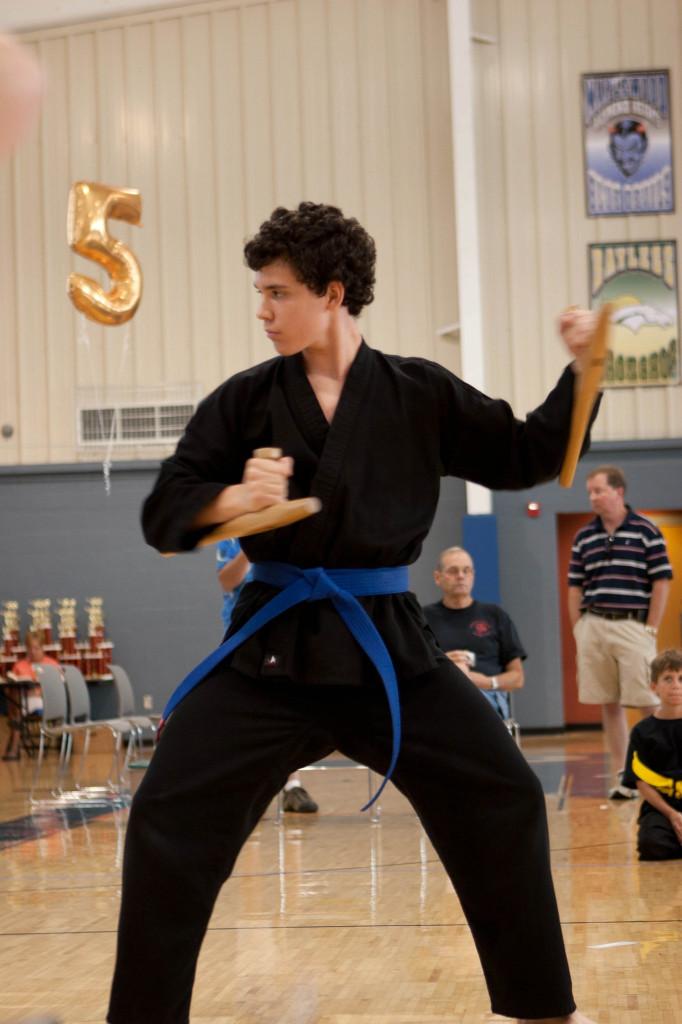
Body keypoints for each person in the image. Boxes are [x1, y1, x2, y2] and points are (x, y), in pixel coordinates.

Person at [108, 201, 600, 1024]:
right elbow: (165, 511)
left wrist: (584, 373)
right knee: (167, 816)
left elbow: (527, 454)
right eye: (259, 294)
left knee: (505, 794)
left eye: (278, 293)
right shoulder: (246, 400)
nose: (262, 311)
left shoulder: (418, 392)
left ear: (333, 293)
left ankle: (541, 1008)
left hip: (388, 649)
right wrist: (236, 498)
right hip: (270, 647)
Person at [568, 465, 672, 800]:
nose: (593, 497)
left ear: (619, 491)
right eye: (590, 492)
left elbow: (661, 580)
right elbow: (574, 587)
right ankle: (624, 777)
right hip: (593, 626)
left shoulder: (646, 530)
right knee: (608, 704)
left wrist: (651, 627)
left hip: (633, 625)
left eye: (598, 490)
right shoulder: (584, 536)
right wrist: (578, 629)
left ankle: (659, 773)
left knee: (646, 701)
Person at [216, 538, 318, 813]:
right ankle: (245, 786)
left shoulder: (290, 530)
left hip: (282, 632)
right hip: (242, 635)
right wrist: (254, 547)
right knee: (241, 709)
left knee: (287, 705)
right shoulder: (232, 537)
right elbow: (226, 581)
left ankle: (292, 786)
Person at [423, 546, 525, 721]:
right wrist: (443, 664)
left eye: (466, 570)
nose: (461, 576)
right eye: (453, 571)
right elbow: (412, 670)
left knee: (473, 702)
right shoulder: (423, 618)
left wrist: (485, 682)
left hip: (487, 697)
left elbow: (517, 678)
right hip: (442, 694)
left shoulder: (495, 615)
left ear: (473, 575)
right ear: (437, 577)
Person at [621, 649, 682, 860]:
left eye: (681, 679)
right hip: (661, 808)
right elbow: (641, 782)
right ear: (654, 686)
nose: (676, 685)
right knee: (651, 844)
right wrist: (673, 815)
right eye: (668, 679)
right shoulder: (642, 732)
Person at [3, 631, 60, 760]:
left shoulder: (52, 665)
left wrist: (39, 692)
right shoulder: (19, 665)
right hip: (22, 701)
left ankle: (14, 744)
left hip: (44, 702)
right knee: (14, 695)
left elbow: (58, 689)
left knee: (17, 705)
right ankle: (15, 739)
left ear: (43, 647)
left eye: (36, 648)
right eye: (30, 648)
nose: (33, 652)